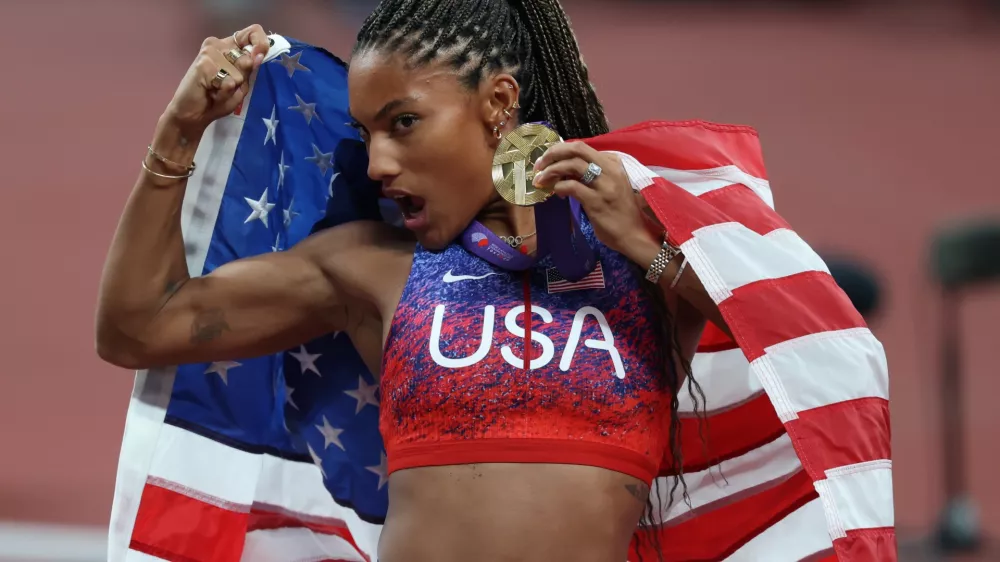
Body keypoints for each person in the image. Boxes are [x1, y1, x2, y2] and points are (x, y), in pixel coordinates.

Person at [94, 2, 822, 561]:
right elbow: (140, 326)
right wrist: (178, 132)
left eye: (403, 123)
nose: (378, 162)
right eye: (368, 131)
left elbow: (807, 356)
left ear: (498, 103)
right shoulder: (375, 270)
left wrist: (649, 247)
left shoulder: (645, 269)